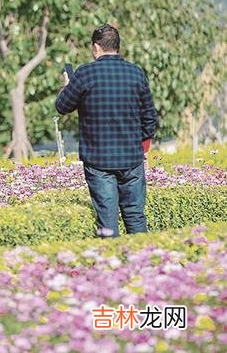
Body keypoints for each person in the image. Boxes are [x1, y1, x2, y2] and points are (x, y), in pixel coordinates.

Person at [55, 24, 158, 238]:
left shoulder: (84, 74)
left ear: (96, 47)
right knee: (136, 217)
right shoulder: (136, 73)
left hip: (99, 161)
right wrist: (143, 147)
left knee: (107, 222)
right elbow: (149, 118)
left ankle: (111, 268)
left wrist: (67, 85)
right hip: (131, 159)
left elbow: (62, 107)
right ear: (118, 47)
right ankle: (145, 265)